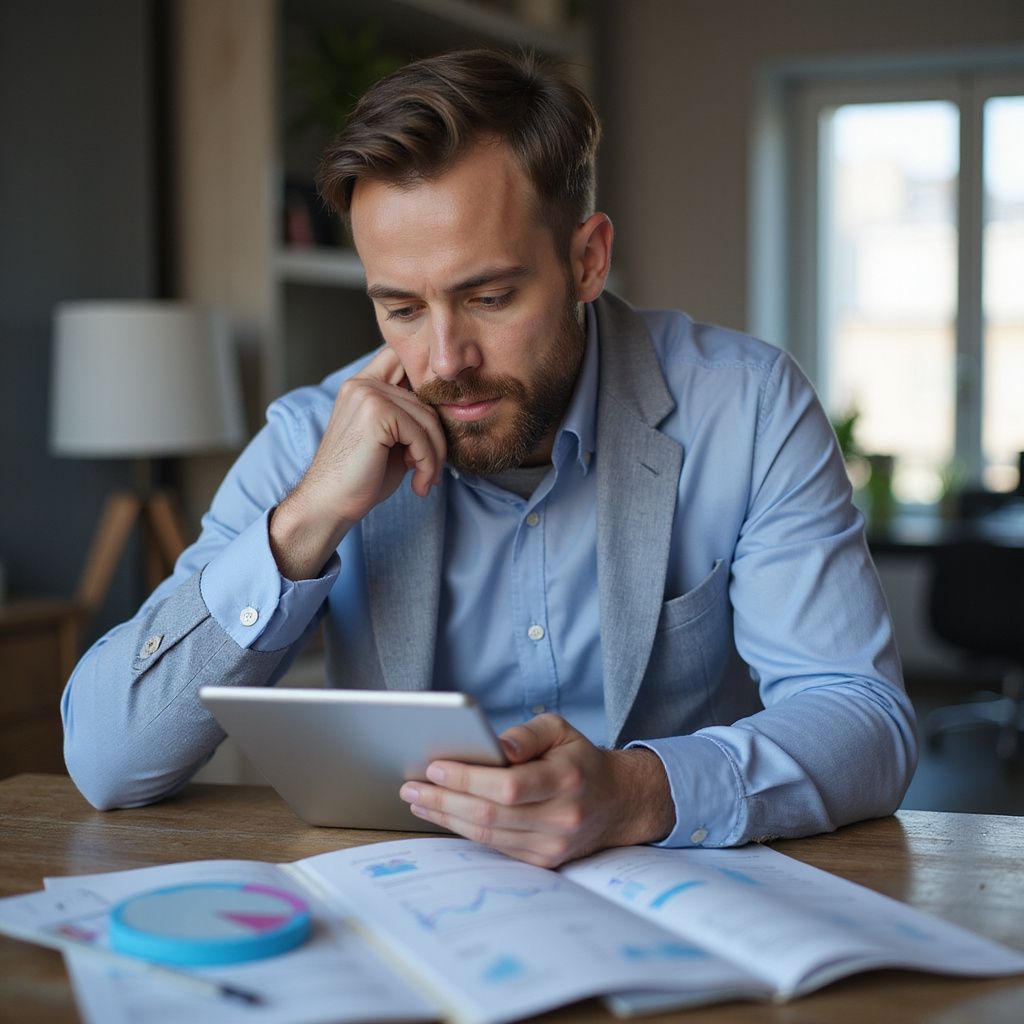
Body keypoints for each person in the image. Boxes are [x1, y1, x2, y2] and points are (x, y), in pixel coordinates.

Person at [61, 48, 917, 869]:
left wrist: (641, 791)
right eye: (399, 308)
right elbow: (107, 758)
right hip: (416, 920)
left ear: (587, 260)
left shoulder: (749, 407)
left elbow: (864, 719)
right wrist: (304, 524)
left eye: (490, 297)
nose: (444, 360)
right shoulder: (309, 439)